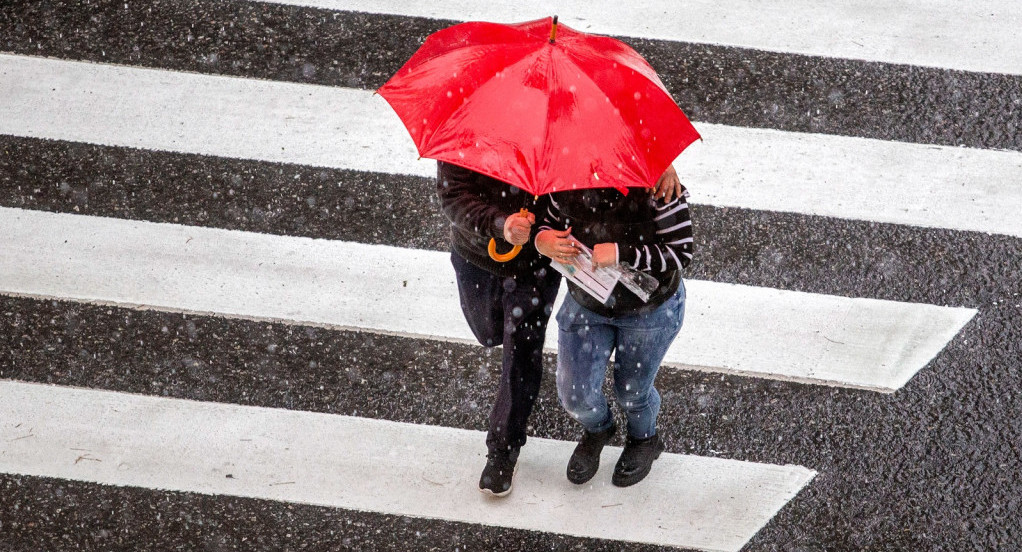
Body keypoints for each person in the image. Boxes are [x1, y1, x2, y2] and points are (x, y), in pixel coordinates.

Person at [534, 164, 692, 487]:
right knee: (574, 394)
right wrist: (543, 240)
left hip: (649, 308)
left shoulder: (656, 177)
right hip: (587, 300)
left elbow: (680, 252)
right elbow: (547, 221)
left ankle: (644, 438)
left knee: (632, 391)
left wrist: (623, 253)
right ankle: (599, 428)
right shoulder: (564, 172)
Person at [436, 160, 561, 497]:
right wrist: (501, 224)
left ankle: (503, 447)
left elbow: (583, 199)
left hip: (535, 267)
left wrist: (539, 234)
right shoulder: (467, 123)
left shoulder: (563, 132)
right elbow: (453, 196)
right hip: (474, 254)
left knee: (519, 351)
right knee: (488, 332)